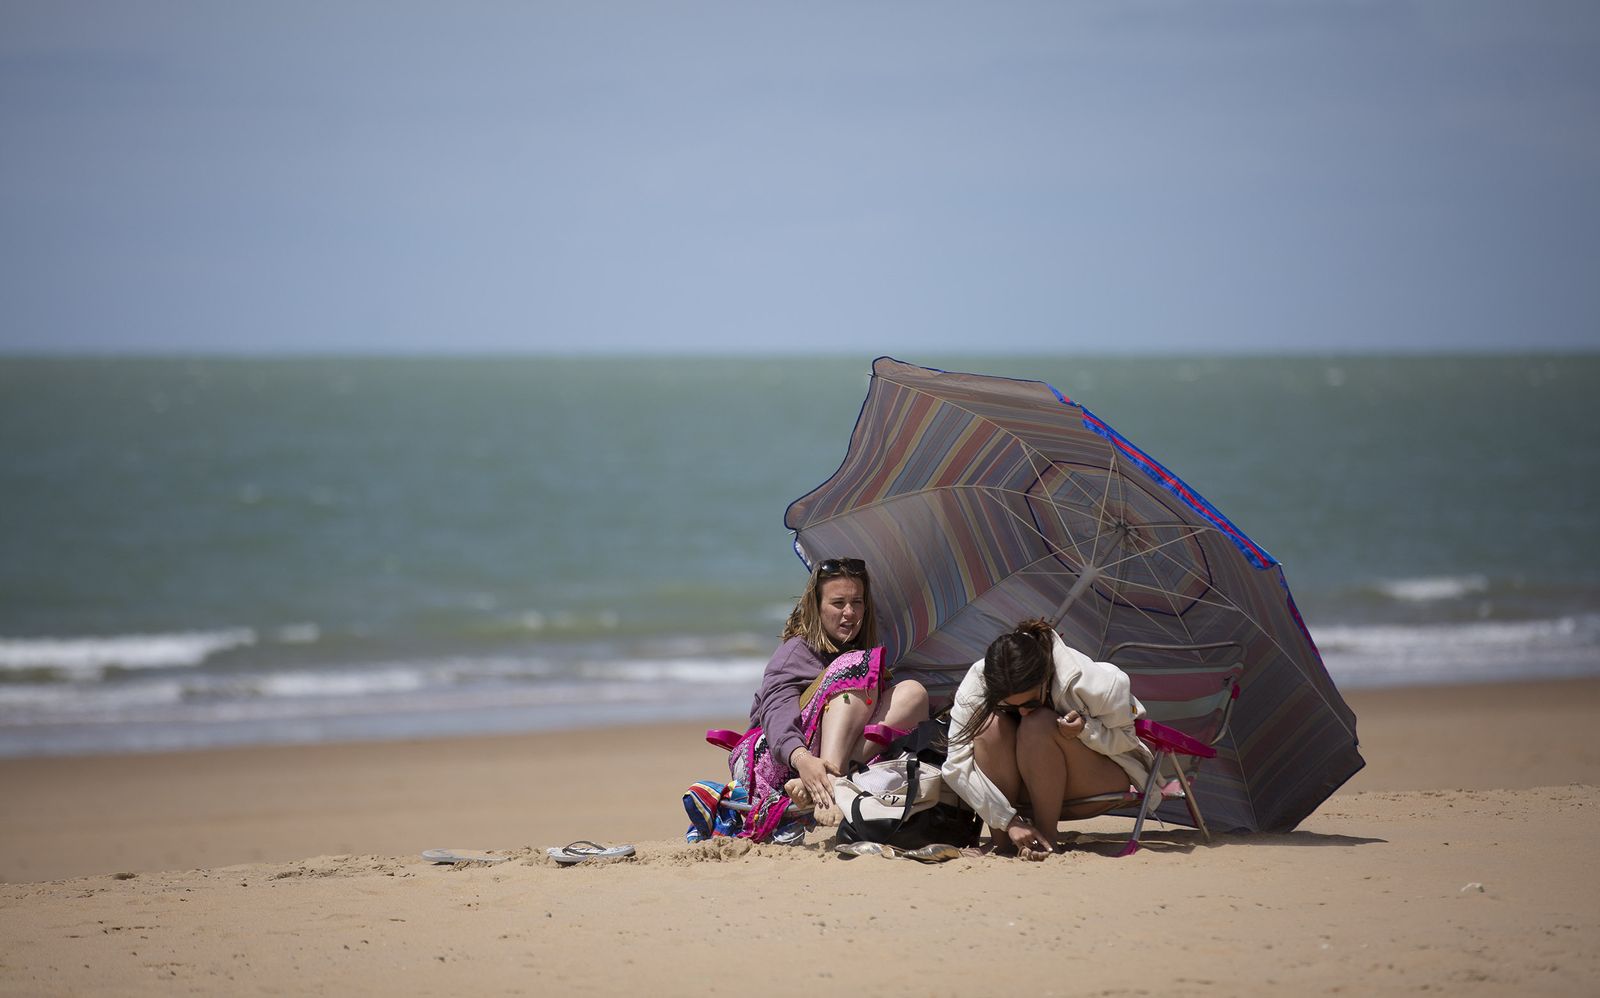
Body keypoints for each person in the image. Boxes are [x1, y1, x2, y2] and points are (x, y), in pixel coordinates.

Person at [941, 618, 1153, 859]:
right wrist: (1008, 821)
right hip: (1024, 790)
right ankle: (1004, 842)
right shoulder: (979, 680)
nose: (1021, 712)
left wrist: (1086, 729)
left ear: (1045, 677)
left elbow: (1127, 740)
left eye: (1029, 702)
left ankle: (1046, 837)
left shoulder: (1094, 682)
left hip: (1098, 781)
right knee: (988, 726)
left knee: (1037, 723)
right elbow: (955, 765)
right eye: (1010, 707)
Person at [742, 557, 929, 831]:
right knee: (855, 666)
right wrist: (802, 759)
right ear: (816, 607)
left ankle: (833, 780)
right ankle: (828, 791)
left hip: (832, 764)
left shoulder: (857, 649)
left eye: (857, 602)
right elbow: (774, 711)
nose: (850, 612)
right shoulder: (796, 652)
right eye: (838, 603)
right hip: (780, 758)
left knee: (914, 693)